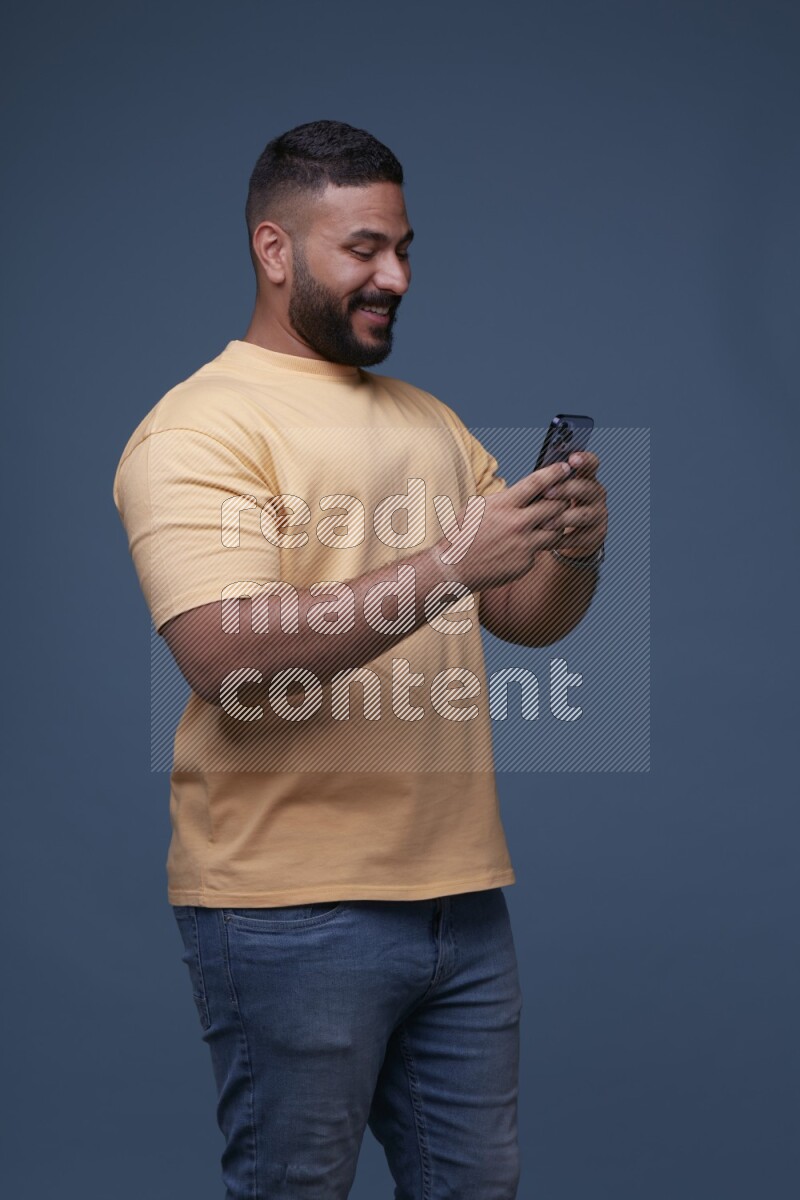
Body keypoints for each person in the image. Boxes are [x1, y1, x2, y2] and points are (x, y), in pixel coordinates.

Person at [112, 119, 607, 1199]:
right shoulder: (196, 430)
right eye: (365, 250)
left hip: (462, 899)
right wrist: (444, 562)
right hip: (287, 912)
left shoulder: (427, 420)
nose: (397, 276)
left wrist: (575, 543)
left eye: (404, 247)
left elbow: (523, 613)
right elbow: (219, 657)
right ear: (273, 249)